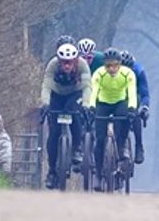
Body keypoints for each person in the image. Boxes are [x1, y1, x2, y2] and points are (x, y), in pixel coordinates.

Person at [38, 42, 91, 188]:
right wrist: (45, 104)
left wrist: (86, 105)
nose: (67, 66)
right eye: (64, 63)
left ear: (75, 61)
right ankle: (52, 171)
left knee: (74, 113)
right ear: (59, 61)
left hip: (75, 93)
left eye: (69, 63)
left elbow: (87, 86)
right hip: (57, 94)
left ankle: (76, 149)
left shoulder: (82, 65)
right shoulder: (52, 65)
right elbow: (46, 86)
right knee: (54, 134)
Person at [86, 47, 138, 190]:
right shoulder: (98, 74)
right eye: (108, 65)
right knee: (100, 139)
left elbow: (132, 93)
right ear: (104, 65)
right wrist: (91, 107)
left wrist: (132, 108)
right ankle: (98, 174)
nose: (112, 69)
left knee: (124, 121)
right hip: (103, 103)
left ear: (120, 64)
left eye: (115, 65)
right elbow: (94, 91)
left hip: (120, 102)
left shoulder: (128, 74)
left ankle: (122, 149)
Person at [119, 51, 151, 166]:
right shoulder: (110, 71)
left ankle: (139, 146)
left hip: (133, 96)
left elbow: (144, 93)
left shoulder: (139, 71)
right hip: (116, 97)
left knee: (135, 115)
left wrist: (145, 107)